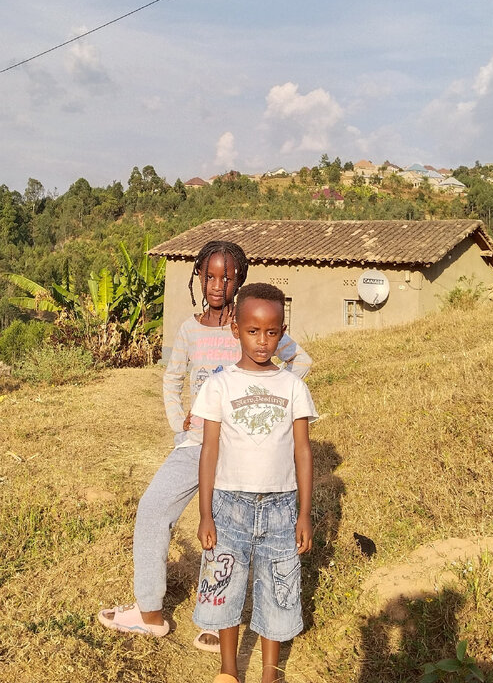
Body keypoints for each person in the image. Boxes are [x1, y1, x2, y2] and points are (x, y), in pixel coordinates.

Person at [98, 241, 312, 651]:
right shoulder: (188, 329)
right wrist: (179, 420)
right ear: (198, 276)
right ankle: (150, 613)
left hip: (238, 451)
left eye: (228, 277)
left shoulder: (249, 324)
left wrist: (269, 412)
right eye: (210, 276)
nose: (218, 285)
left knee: (226, 532)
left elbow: (299, 363)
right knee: (152, 507)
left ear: (240, 280)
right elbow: (171, 377)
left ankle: (220, 620)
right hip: (195, 444)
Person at [191, 282, 317, 683]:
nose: (263, 342)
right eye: (253, 331)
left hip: (282, 509)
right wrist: (205, 513)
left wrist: (304, 515)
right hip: (229, 506)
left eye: (272, 332)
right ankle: (228, 670)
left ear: (282, 331)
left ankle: (269, 672)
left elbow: (302, 453)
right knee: (224, 584)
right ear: (235, 329)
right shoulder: (219, 385)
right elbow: (209, 451)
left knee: (277, 588)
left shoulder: (294, 387)